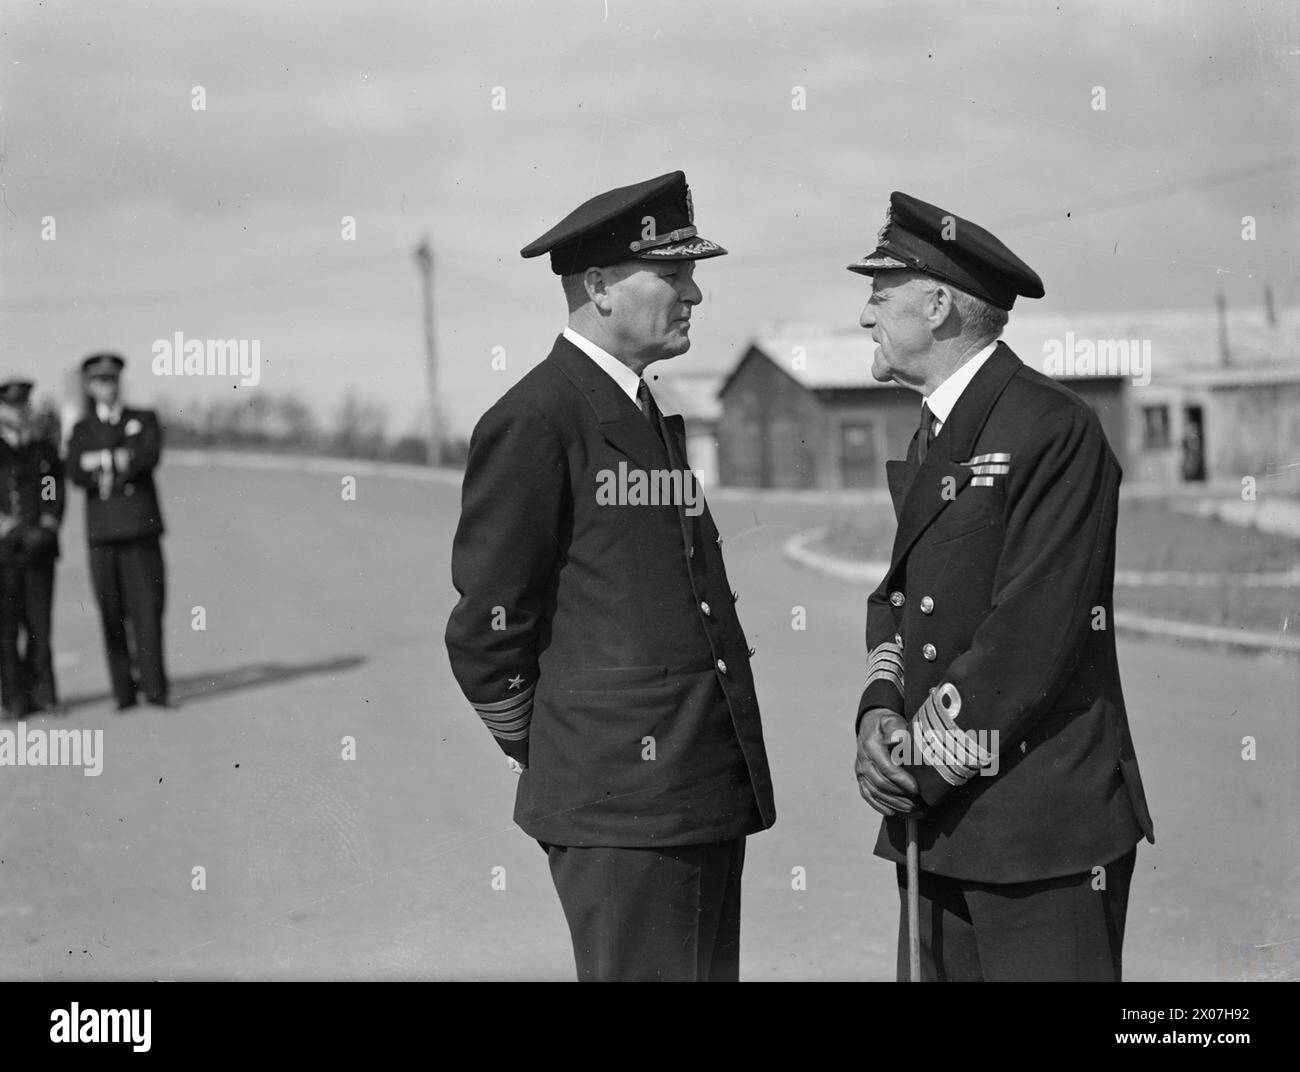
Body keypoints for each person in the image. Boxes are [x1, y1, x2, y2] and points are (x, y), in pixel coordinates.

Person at [445, 170, 776, 981]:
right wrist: (564, 745)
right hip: (620, 805)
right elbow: (487, 629)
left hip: (688, 788)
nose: (693, 293)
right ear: (597, 287)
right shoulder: (536, 418)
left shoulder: (638, 411)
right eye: (672, 275)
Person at [847, 192, 1155, 981]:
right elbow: (900, 599)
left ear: (939, 303)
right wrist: (880, 711)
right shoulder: (940, 427)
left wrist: (914, 763)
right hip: (941, 822)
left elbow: (1033, 631)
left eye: (879, 296)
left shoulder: (1051, 427)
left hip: (1038, 833)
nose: (864, 318)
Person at [65, 353, 170, 710]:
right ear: (90, 386)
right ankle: (123, 692)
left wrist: (101, 461)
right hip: (103, 533)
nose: (106, 387)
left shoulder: (143, 419)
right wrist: (117, 458)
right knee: (111, 613)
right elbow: (76, 474)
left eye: (111, 380)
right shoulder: (81, 429)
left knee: (148, 610)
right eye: (98, 381)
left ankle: (155, 689)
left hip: (140, 529)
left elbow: (147, 456)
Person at [0, 377, 64, 717]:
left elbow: (51, 485)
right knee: (6, 629)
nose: (18, 411)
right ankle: (13, 699)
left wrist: (50, 519)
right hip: (4, 549)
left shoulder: (42, 449)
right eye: (11, 405)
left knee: (40, 624)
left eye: (23, 405)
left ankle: (45, 694)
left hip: (38, 546)